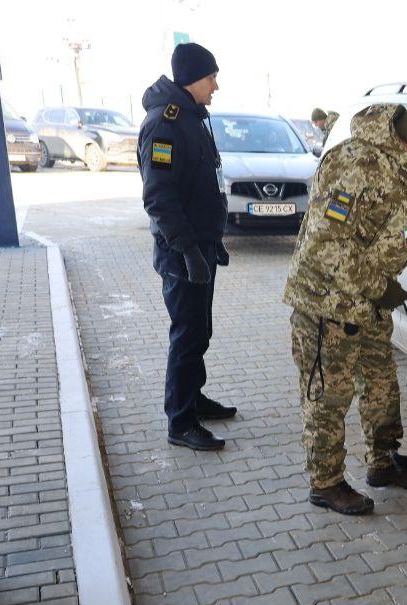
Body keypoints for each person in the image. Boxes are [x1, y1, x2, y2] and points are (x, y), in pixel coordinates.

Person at [285, 97, 407, 515]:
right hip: (328, 304)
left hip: (370, 303)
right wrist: (379, 285)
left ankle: (383, 464)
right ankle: (325, 484)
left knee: (381, 387)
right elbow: (324, 246)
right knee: (329, 397)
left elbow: (399, 233)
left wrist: (386, 284)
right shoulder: (356, 165)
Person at [138, 43, 233, 451]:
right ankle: (181, 421)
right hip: (183, 255)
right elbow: (159, 198)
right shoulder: (166, 125)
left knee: (200, 331)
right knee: (187, 334)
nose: (216, 86)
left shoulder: (192, 119)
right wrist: (190, 251)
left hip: (201, 247)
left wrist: (212, 243)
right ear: (193, 78)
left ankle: (193, 397)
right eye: (211, 77)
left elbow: (202, 186)